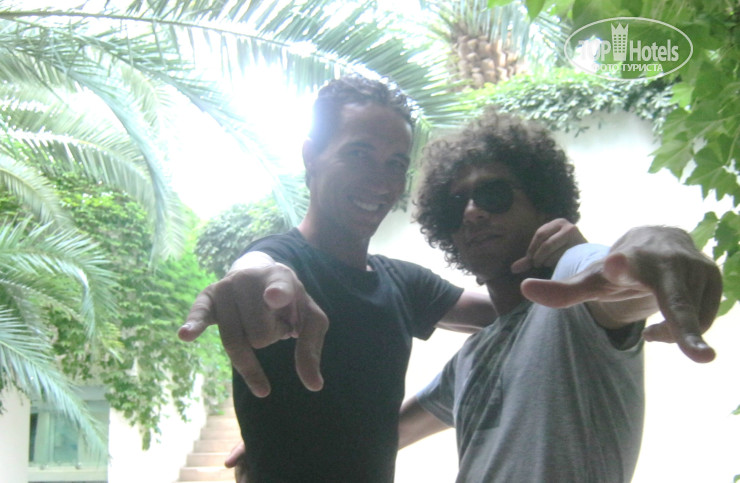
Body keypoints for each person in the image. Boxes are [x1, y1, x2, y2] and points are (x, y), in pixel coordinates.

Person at [178, 75, 587, 482]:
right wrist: (250, 278)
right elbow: (257, 270)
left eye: (396, 163)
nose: (381, 181)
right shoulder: (282, 264)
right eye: (359, 153)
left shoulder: (402, 282)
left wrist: (572, 262)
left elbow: (512, 311)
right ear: (311, 156)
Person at [397, 109, 721, 482]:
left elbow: (616, 276)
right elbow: (386, 434)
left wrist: (658, 243)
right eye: (456, 206)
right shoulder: (470, 358)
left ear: (543, 206)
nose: (472, 212)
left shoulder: (574, 287)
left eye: (493, 194)